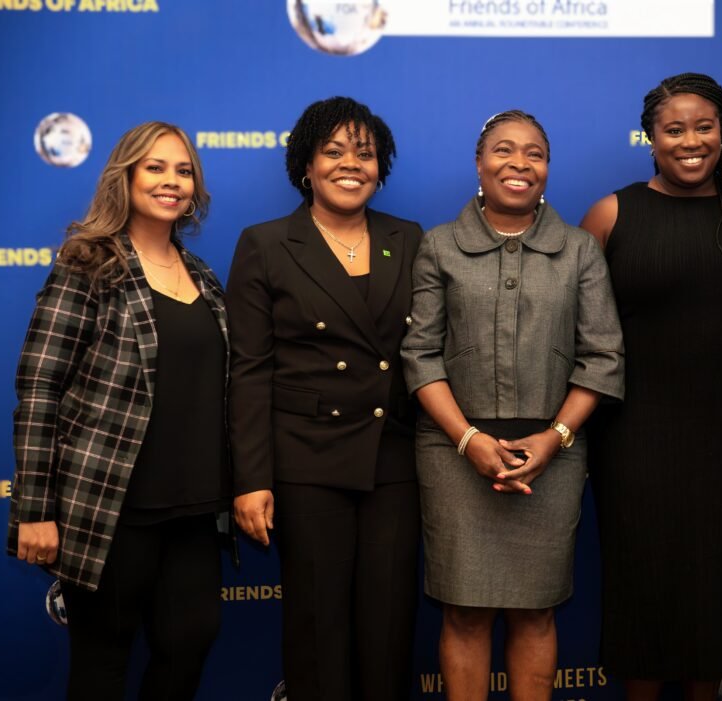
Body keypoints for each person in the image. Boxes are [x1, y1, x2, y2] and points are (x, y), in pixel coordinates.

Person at [401, 110, 624, 700]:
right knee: (464, 610)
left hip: (554, 453)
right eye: (503, 150)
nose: (519, 163)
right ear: (479, 163)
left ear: (547, 167)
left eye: (534, 153)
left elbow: (603, 357)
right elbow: (420, 356)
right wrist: (468, 440)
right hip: (454, 452)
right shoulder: (439, 246)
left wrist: (555, 439)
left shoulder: (579, 250)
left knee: (536, 608)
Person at [580, 73, 722, 701]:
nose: (690, 141)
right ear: (651, 138)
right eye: (674, 129)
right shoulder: (611, 215)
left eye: (704, 127)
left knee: (718, 599)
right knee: (646, 594)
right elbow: (578, 332)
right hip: (636, 441)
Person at [8, 121, 229, 700]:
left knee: (190, 643)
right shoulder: (88, 265)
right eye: (155, 168)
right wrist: (35, 510)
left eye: (183, 170)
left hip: (193, 510)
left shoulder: (203, 277)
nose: (171, 181)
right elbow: (40, 387)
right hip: (109, 508)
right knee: (102, 664)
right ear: (125, 178)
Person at [227, 96, 422, 701]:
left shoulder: (408, 238)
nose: (350, 165)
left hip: (393, 462)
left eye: (365, 153)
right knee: (317, 631)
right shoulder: (266, 244)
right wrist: (251, 479)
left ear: (381, 167)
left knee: (389, 631)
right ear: (306, 166)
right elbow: (249, 371)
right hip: (306, 462)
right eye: (333, 152)